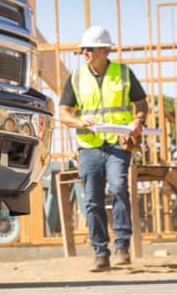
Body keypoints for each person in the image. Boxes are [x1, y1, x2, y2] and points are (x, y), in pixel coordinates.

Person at [58, 26, 149, 271]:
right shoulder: (76, 77)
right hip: (89, 146)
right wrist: (79, 122)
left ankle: (122, 247)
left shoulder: (123, 73)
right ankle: (100, 252)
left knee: (119, 187)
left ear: (105, 50)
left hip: (118, 142)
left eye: (90, 48)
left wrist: (138, 121)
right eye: (83, 49)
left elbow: (141, 103)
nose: (84, 52)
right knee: (93, 200)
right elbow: (64, 113)